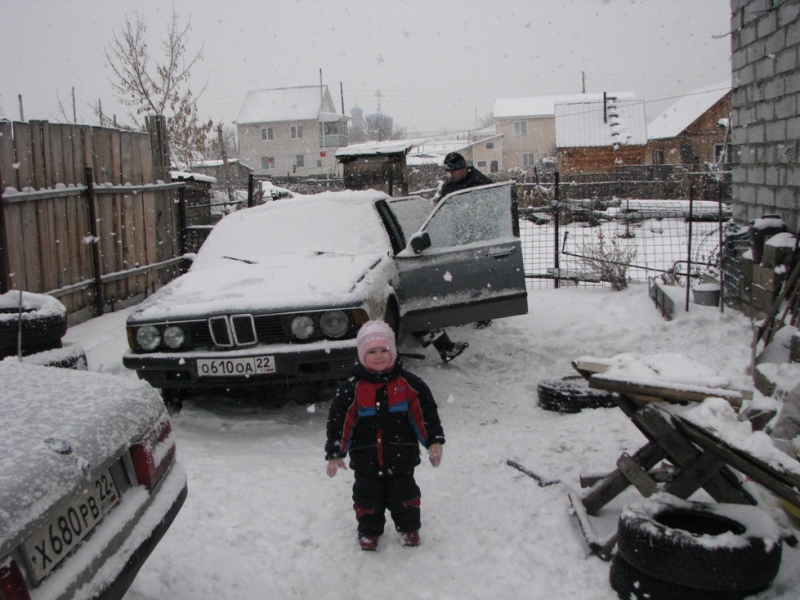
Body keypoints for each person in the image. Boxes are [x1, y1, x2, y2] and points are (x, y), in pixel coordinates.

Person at [325, 320, 445, 551]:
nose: (379, 356)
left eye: (384, 350)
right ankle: (369, 532)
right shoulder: (352, 390)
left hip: (401, 457)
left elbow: (425, 414)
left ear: (393, 351)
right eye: (371, 352)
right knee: (367, 499)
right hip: (365, 459)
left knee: (405, 496)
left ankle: (409, 528)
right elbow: (340, 424)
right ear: (361, 354)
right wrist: (335, 453)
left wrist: (434, 440)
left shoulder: (410, 384)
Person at [433, 151, 494, 330]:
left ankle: (484, 313)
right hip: (458, 237)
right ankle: (464, 311)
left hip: (480, 237)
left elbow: (493, 209)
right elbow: (442, 211)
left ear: (463, 168)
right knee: (461, 276)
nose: (450, 176)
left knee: (481, 276)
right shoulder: (448, 187)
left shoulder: (481, 182)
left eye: (453, 172)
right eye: (448, 173)